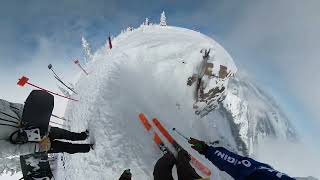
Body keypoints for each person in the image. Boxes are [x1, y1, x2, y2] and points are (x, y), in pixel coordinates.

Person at [0, 90, 93, 156]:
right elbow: (11, 150)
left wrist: (24, 120)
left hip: (39, 127)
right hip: (33, 142)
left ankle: (83, 136)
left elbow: (17, 108)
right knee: (66, 147)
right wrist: (38, 147)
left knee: (65, 134)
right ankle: (88, 147)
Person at [188, 137, 295, 180]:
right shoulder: (259, 173)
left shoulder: (261, 171)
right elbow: (235, 163)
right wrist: (207, 150)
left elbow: (235, 163)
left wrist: (207, 150)